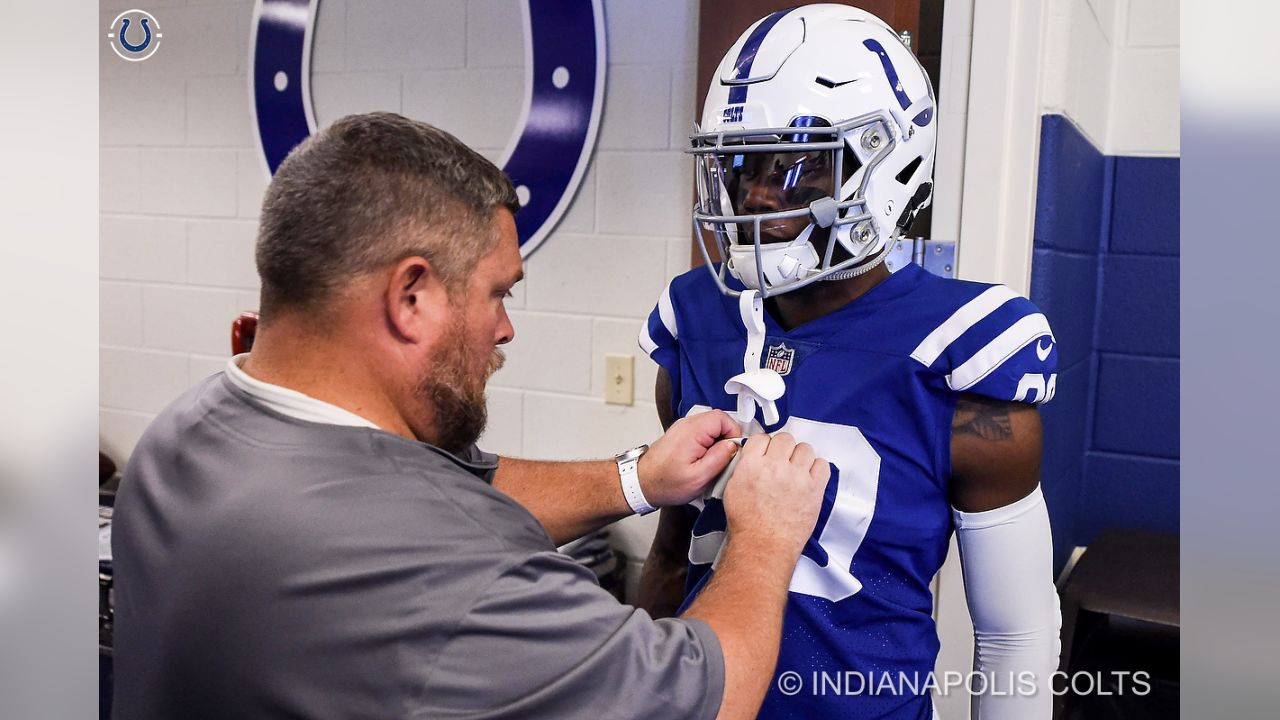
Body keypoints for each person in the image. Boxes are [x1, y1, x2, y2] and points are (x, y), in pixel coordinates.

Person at [110, 112, 833, 720]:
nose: (505, 331)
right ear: (412, 297)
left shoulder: (185, 434)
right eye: (498, 295)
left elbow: (433, 496)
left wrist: (638, 479)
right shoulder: (441, 581)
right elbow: (708, 694)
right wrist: (766, 535)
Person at [638, 6, 1060, 719]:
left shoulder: (967, 352)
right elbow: (675, 552)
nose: (758, 195)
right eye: (741, 166)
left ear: (888, 162)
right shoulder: (694, 321)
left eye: (797, 167)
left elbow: (1013, 631)